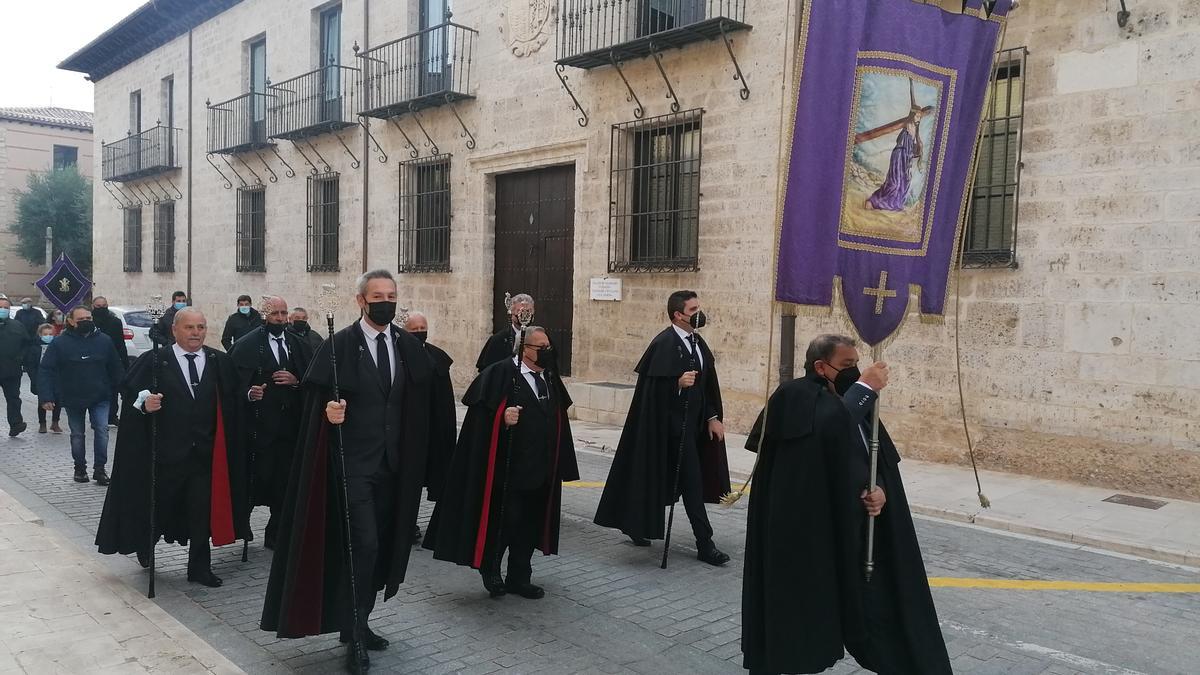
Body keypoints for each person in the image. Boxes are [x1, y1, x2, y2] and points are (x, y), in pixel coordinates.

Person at [741, 334, 949, 674]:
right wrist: (865, 389)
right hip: (807, 536)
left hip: (852, 529)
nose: (856, 371)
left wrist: (878, 489)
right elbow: (826, 434)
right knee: (796, 619)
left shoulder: (849, 402)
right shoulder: (793, 397)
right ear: (821, 366)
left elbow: (866, 452)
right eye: (848, 365)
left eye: (857, 364)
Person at [260, 269, 433, 673]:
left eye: (391, 295)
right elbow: (313, 405)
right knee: (365, 545)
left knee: (385, 545)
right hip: (353, 467)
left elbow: (419, 406)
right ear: (361, 301)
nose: (385, 301)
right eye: (378, 295)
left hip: (394, 468)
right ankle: (353, 631)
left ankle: (360, 619)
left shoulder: (407, 346)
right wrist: (327, 412)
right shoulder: (338, 346)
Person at [95, 308, 250, 588]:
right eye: (190, 327)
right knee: (158, 506)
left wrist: (251, 397)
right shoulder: (155, 361)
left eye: (201, 327)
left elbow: (234, 400)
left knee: (201, 511)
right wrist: (145, 405)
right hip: (165, 455)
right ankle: (146, 544)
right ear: (175, 330)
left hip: (203, 455)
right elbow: (131, 395)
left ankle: (199, 567)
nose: (196, 333)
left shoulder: (218, 361)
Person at [425, 326, 579, 600]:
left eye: (548, 347)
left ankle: (520, 576)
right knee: (506, 522)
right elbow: (478, 422)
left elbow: (557, 418)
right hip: (508, 470)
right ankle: (491, 567)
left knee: (530, 526)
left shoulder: (550, 378)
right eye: (540, 348)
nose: (546, 352)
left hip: (541, 469)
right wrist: (501, 418)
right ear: (523, 349)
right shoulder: (500, 374)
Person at [594, 290, 732, 565]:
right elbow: (650, 393)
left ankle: (646, 528)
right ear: (677, 315)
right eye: (693, 311)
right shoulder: (663, 344)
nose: (699, 314)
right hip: (665, 432)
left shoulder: (698, 343)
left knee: (691, 483)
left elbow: (706, 388)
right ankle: (705, 544)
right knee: (680, 484)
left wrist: (712, 417)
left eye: (698, 308)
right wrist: (675, 385)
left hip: (692, 431)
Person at [230, 296, 312, 550]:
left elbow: (312, 377)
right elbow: (232, 382)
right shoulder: (247, 344)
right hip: (258, 429)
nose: (280, 318)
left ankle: (276, 531)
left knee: (285, 482)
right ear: (265, 314)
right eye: (275, 313)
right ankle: (241, 526)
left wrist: (296, 379)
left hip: (288, 428)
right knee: (255, 478)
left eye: (283, 313)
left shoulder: (297, 344)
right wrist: (249, 393)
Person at [37, 306, 125, 485]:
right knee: (77, 434)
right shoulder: (60, 343)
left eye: (88, 318)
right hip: (73, 396)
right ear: (70, 321)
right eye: (81, 320)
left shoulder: (104, 341)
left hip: (100, 395)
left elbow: (116, 367)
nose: (86, 322)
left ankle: (100, 469)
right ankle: (80, 468)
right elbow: (46, 369)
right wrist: (46, 397)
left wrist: (126, 390)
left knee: (102, 431)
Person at [402, 312, 457, 510]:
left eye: (422, 329)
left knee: (437, 473)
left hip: (435, 427)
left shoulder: (437, 356)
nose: (419, 333)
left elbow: (446, 398)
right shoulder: (399, 354)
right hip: (409, 429)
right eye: (414, 329)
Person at [91, 296, 130, 427]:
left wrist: (124, 363)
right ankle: (95, 416)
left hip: (111, 360)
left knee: (113, 390)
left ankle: (112, 416)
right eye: (98, 306)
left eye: (104, 306)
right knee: (95, 390)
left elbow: (120, 343)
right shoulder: (89, 321)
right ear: (93, 306)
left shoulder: (115, 321)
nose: (101, 309)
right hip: (93, 361)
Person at [475, 293, 534, 371]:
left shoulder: (540, 337)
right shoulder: (498, 339)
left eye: (529, 311)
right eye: (520, 311)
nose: (525, 314)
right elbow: (487, 370)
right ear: (512, 314)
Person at [0, 297, 32, 437]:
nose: (3, 310)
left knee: (13, 399)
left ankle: (16, 424)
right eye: (1, 307)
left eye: (6, 307)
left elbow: (27, 344)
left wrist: (21, 358)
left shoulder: (17, 325)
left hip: (11, 370)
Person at [26, 323, 63, 433]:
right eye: (45, 334)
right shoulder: (34, 348)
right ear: (40, 335)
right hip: (41, 378)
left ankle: (55, 422)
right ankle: (42, 424)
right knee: (42, 402)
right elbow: (30, 365)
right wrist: (35, 377)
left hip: (56, 378)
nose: (48, 336)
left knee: (58, 401)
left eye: (50, 334)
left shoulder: (58, 347)